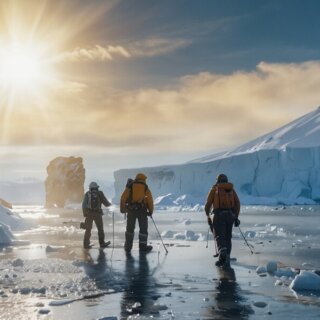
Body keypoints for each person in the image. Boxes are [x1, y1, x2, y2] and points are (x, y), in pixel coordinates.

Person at [205, 174, 240, 267]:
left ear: (218, 180)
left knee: (220, 236)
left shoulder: (215, 189)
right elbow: (237, 203)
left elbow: (208, 204)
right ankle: (227, 257)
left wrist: (208, 216)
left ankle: (222, 256)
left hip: (218, 216)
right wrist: (236, 217)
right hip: (230, 216)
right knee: (228, 237)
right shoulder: (231, 190)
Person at [120, 173, 154, 253]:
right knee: (143, 229)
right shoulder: (145, 187)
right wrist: (150, 211)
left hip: (131, 211)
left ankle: (128, 247)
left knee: (130, 229)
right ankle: (143, 247)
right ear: (143, 179)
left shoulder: (130, 186)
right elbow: (150, 200)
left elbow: (123, 197)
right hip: (142, 211)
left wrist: (123, 209)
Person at [82, 181, 112, 249]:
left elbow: (83, 205)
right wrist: (110, 205)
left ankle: (86, 244)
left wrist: (85, 213)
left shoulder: (87, 194)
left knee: (88, 229)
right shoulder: (99, 193)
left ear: (90, 188)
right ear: (96, 187)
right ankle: (102, 243)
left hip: (89, 214)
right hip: (97, 214)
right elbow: (106, 203)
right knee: (100, 229)